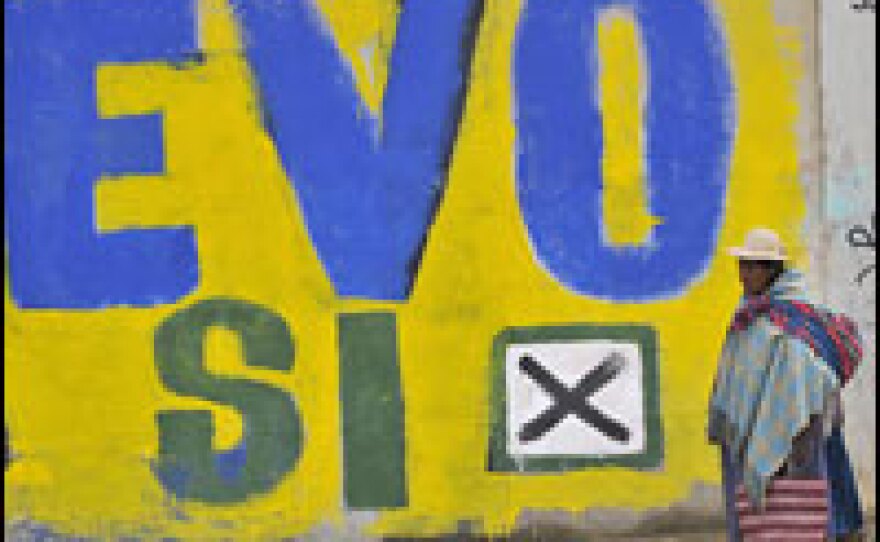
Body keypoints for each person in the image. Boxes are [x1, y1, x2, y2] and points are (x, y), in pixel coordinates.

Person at [707, 227, 865, 541]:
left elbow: (811, 376)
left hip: (796, 432)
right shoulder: (748, 314)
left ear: (772, 270)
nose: (744, 273)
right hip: (751, 430)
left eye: (753, 266)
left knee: (800, 514)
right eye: (742, 265)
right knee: (761, 518)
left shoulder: (792, 317)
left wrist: (779, 417)